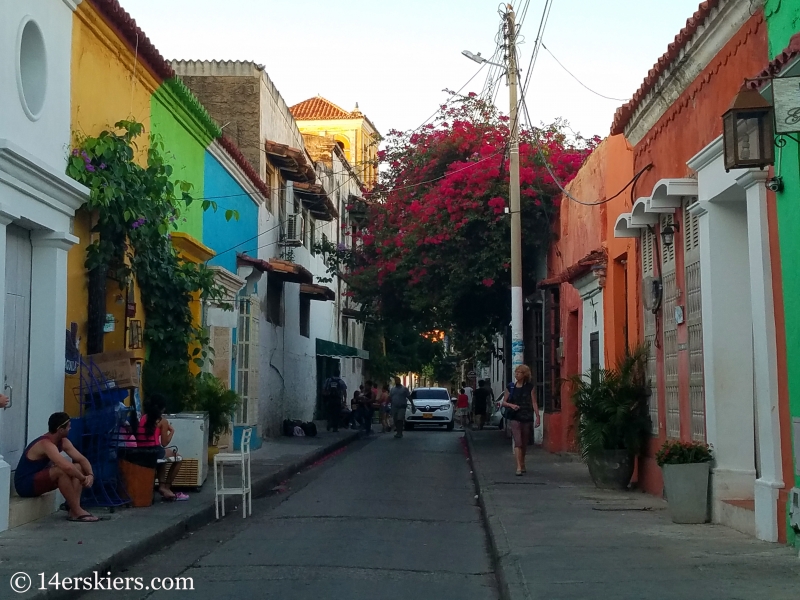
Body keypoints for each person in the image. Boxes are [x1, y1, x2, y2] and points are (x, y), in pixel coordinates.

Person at [14, 412, 99, 522]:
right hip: (25, 485)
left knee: (78, 466)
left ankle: (74, 510)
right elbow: (66, 467)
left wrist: (90, 475)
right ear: (60, 430)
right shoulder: (45, 444)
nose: (71, 428)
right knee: (60, 471)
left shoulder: (63, 442)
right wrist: (83, 479)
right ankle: (77, 510)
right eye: (69, 426)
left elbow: (81, 459)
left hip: (39, 479)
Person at [133, 395, 187, 501]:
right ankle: (166, 487)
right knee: (178, 458)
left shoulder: (143, 418)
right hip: (154, 450)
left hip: (141, 451)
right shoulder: (162, 421)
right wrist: (171, 431)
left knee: (163, 458)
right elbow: (164, 443)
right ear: (162, 408)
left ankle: (163, 487)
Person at [500, 365, 541, 476]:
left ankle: (522, 462)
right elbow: (503, 402)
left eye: (519, 372)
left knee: (524, 442)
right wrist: (511, 405)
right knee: (518, 442)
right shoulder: (511, 387)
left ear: (524, 374)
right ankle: (518, 466)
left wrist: (537, 416)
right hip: (515, 416)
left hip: (526, 416)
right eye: (516, 372)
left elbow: (534, 402)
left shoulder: (529, 387)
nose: (516, 374)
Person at [322, 368, 347, 432]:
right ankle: (335, 427)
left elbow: (324, 390)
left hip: (329, 399)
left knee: (330, 412)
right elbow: (344, 391)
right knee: (337, 413)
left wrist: (325, 397)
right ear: (339, 374)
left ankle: (329, 422)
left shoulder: (328, 380)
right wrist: (344, 400)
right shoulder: (340, 381)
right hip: (337, 399)